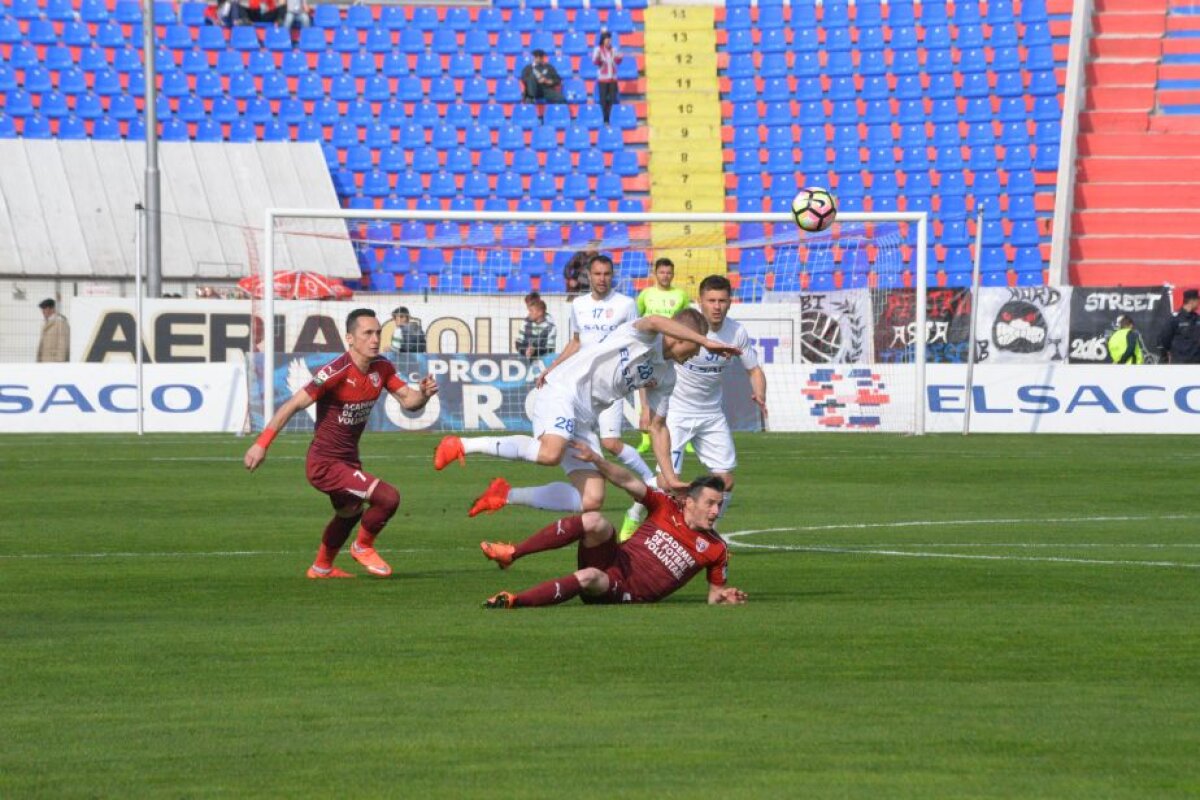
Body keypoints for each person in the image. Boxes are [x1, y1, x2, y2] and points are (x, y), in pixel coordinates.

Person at [432, 309, 743, 522]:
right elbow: (655, 320)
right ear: (683, 337)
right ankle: (460, 444)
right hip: (563, 390)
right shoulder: (641, 335)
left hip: (584, 415)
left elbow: (659, 427)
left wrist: (671, 477)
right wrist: (706, 341)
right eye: (694, 347)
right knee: (550, 452)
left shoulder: (668, 376)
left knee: (591, 499)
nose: (695, 355)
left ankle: (504, 494)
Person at [245, 308, 439, 579]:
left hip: (348, 460)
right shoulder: (334, 372)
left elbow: (409, 401)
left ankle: (321, 568)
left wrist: (424, 395)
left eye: (378, 333)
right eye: (367, 334)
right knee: (388, 498)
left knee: (349, 513)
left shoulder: (382, 368)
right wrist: (261, 444)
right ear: (350, 338)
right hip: (325, 463)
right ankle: (363, 546)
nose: (374, 339)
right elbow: (292, 405)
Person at [478, 442, 747, 608]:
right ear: (689, 502)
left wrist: (725, 599)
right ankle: (512, 553)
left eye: (719, 505)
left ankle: (515, 600)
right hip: (615, 558)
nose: (716, 511)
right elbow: (628, 481)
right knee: (594, 520)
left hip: (626, 590)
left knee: (589, 577)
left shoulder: (716, 548)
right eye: (710, 503)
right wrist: (596, 460)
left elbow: (714, 595)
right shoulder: (666, 507)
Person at [638, 274, 767, 540]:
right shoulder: (684, 326)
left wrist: (760, 394)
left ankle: (708, 532)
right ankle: (637, 514)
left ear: (730, 302)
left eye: (722, 300)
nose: (717, 306)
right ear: (700, 301)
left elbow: (754, 370)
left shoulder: (736, 333)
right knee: (665, 483)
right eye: (711, 300)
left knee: (726, 481)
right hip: (675, 411)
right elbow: (650, 365)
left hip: (711, 414)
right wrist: (645, 408)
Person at [634, 258, 690, 453]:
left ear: (673, 274)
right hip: (649, 347)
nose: (665, 276)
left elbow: (686, 321)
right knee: (644, 386)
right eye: (662, 272)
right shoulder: (645, 295)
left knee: (678, 389)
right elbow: (639, 319)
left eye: (669, 272)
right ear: (655, 274)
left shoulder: (681, 295)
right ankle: (646, 437)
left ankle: (686, 436)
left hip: (673, 348)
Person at [1158, 288, 1200, 364]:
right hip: (1180, 362)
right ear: (1191, 301)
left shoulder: (1197, 318)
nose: (1199, 302)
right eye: (1198, 300)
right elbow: (1165, 339)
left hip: (1196, 361)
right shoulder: (1175, 318)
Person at [592, 31, 623, 125]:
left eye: (609, 39)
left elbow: (617, 62)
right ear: (603, 40)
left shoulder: (614, 49)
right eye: (606, 39)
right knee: (603, 100)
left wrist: (620, 58)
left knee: (613, 99)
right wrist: (599, 59)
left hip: (613, 78)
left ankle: (612, 118)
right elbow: (595, 62)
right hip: (603, 79)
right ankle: (604, 119)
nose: (608, 41)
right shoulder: (598, 49)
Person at [37, 298, 69, 362]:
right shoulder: (46, 323)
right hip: (45, 362)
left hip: (54, 363)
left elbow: (63, 345)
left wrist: (59, 363)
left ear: (52, 309)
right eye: (42, 309)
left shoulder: (60, 323)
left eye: (45, 308)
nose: (43, 311)